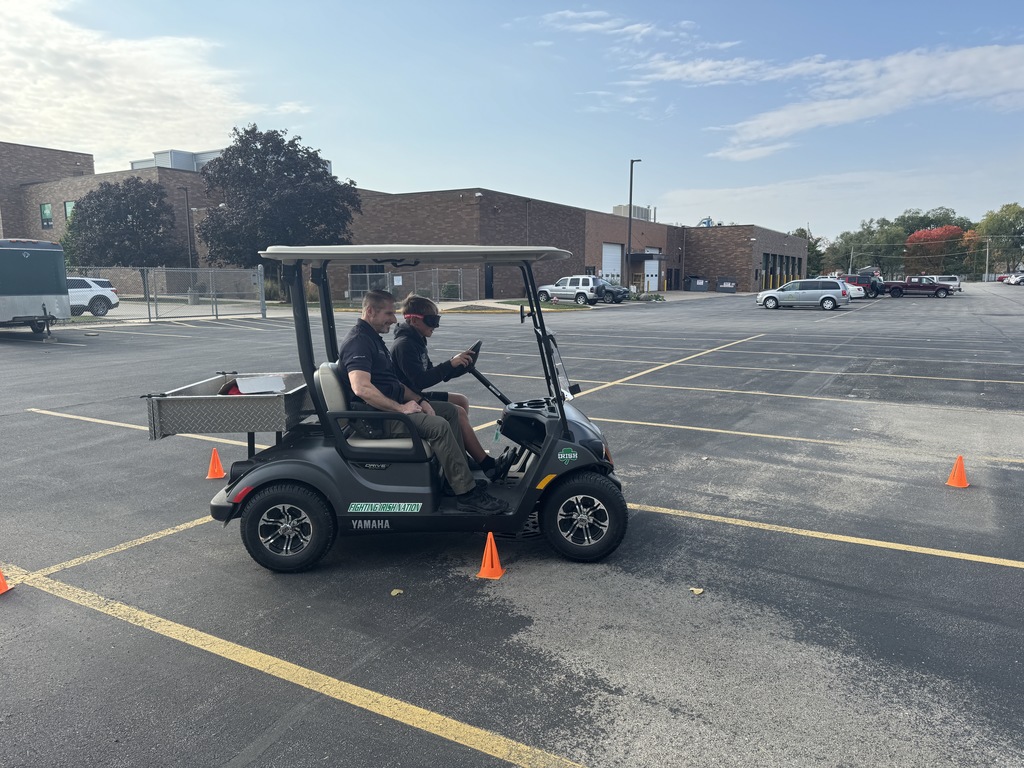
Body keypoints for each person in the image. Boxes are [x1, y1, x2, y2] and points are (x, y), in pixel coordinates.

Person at [338, 290, 509, 515]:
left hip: (388, 409)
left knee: (449, 411)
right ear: (370, 311)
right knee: (438, 426)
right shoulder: (359, 342)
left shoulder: (373, 339)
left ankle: (454, 480)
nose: (393, 319)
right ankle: (466, 494)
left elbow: (396, 385)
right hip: (377, 418)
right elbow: (361, 388)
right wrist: (401, 408)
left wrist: (420, 400)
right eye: (388, 313)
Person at [391, 294, 512, 480]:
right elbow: (420, 381)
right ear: (414, 320)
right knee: (457, 412)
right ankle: (488, 465)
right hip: (409, 400)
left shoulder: (417, 340)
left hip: (416, 393)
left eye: (437, 320)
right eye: (432, 320)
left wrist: (457, 366)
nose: (435, 326)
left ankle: (463, 455)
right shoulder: (404, 345)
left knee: (461, 400)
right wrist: (450, 364)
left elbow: (430, 371)